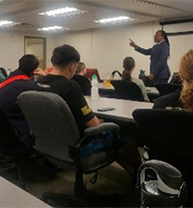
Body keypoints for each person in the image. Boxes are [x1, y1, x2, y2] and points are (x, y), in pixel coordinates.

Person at [36, 45, 141, 177]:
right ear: (73, 66)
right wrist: (105, 121)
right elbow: (94, 124)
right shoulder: (70, 87)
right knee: (126, 134)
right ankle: (138, 177)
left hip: (50, 143)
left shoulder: (39, 83)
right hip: (79, 145)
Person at [0, 54, 46, 146]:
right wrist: (45, 77)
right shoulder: (29, 85)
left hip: (1, 121)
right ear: (34, 70)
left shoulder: (10, 77)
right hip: (16, 124)